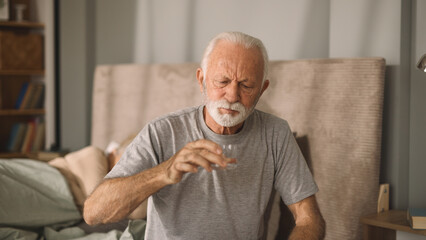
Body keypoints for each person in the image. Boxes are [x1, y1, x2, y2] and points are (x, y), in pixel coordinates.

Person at [84, 31, 326, 239]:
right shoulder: (162, 131)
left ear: (262, 90)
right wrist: (163, 173)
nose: (232, 95)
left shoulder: (276, 134)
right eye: (222, 81)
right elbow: (94, 212)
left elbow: (309, 218)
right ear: (201, 80)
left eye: (246, 85)